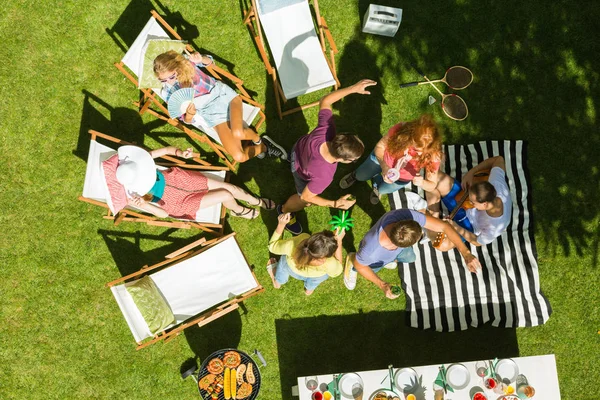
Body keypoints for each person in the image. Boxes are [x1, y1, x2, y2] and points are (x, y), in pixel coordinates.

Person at [277, 79, 377, 235]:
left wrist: (352, 87)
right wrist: (335, 203)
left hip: (297, 149)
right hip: (300, 171)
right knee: (304, 202)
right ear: (343, 159)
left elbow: (325, 100)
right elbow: (306, 196)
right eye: (353, 160)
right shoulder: (324, 176)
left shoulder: (327, 130)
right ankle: (284, 210)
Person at [153, 50, 287, 163]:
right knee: (239, 157)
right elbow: (186, 121)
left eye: (171, 77)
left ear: (176, 68)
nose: (168, 82)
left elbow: (210, 62)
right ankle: (264, 146)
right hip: (211, 114)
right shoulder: (168, 92)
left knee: (238, 132)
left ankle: (258, 139)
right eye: (162, 80)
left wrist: (201, 59)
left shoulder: (188, 64)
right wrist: (190, 115)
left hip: (223, 96)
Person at [344, 204, 481, 299]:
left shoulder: (405, 217)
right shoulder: (370, 251)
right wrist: (383, 284)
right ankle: (351, 262)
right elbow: (361, 264)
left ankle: (391, 259)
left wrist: (466, 254)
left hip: (394, 252)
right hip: (370, 259)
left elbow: (444, 227)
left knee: (410, 258)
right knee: (363, 266)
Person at [114, 145, 274, 220]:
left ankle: (257, 201)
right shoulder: (131, 194)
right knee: (225, 194)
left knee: (228, 187)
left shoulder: (138, 161)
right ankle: (238, 210)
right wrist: (144, 205)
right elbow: (163, 214)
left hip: (179, 179)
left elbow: (166, 151)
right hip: (176, 202)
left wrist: (180, 153)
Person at [339, 114, 443, 204]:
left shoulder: (434, 155)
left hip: (401, 178)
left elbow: (432, 185)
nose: (419, 153)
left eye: (423, 151)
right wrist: (384, 167)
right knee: (361, 175)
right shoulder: (401, 129)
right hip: (380, 160)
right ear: (410, 135)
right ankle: (355, 175)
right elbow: (379, 147)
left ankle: (377, 187)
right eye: (415, 148)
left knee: (383, 189)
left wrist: (422, 183)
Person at [423, 156, 512, 248]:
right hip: (462, 200)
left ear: (484, 204)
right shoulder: (496, 184)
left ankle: (427, 219)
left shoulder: (495, 227)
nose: (469, 201)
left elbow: (477, 242)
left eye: (472, 202)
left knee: (441, 245)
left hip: (468, 225)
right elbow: (499, 159)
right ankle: (434, 217)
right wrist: (471, 172)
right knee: (432, 175)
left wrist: (455, 226)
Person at [267, 213, 345, 295]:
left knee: (283, 262)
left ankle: (277, 283)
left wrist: (281, 224)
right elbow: (338, 270)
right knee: (320, 277)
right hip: (315, 276)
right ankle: (308, 290)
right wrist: (339, 241)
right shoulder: (329, 263)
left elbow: (272, 246)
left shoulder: (299, 240)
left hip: (291, 268)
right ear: (327, 255)